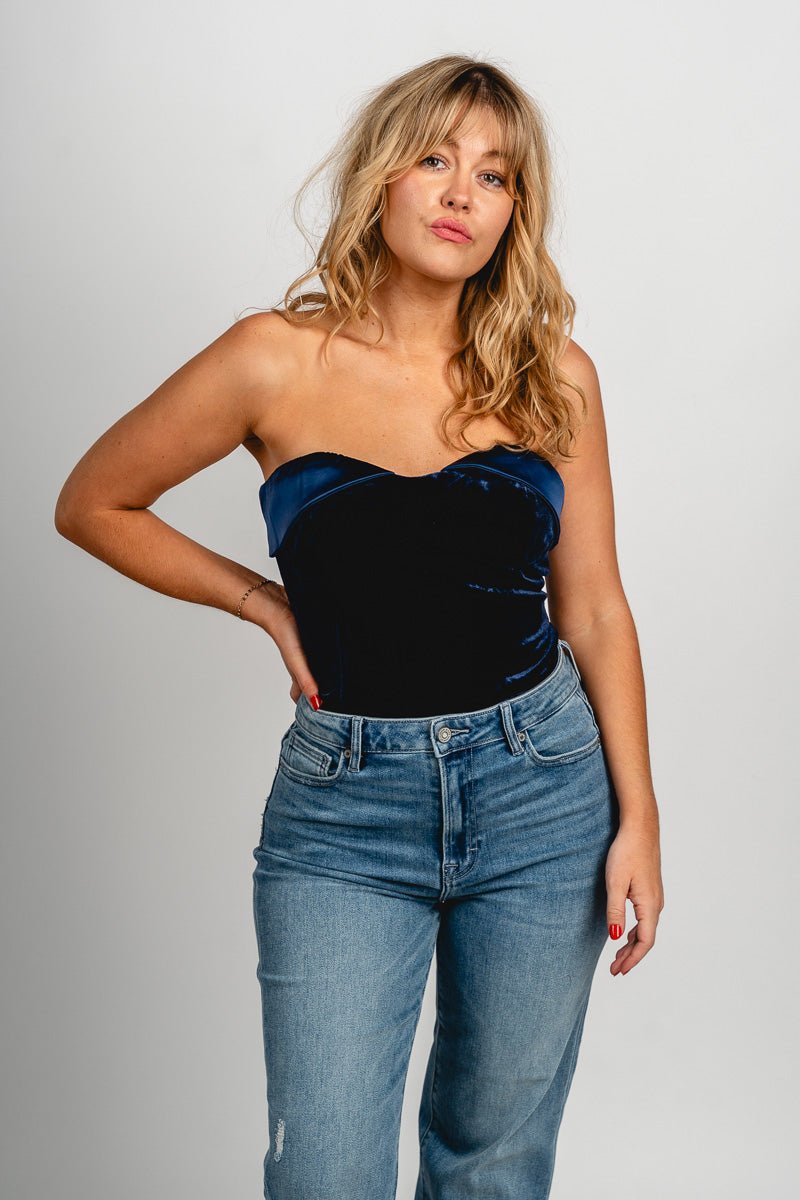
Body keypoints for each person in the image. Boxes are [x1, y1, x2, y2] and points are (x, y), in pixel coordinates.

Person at [55, 54, 664, 1200]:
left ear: (513, 212)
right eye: (434, 157)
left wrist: (639, 821)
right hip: (344, 811)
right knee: (324, 1174)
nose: (460, 191)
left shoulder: (552, 376)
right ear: (381, 175)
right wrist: (257, 599)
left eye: (493, 175)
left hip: (543, 794)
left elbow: (594, 608)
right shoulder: (270, 359)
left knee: (491, 1164)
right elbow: (93, 502)